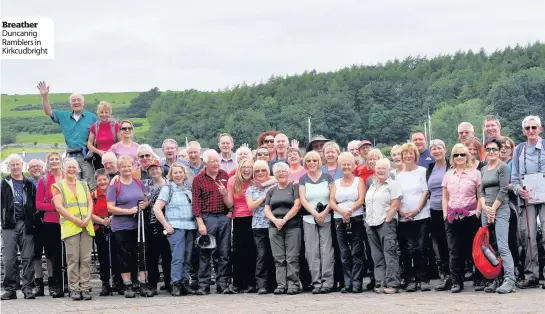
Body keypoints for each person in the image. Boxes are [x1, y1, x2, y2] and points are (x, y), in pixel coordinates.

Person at [106, 156, 153, 298]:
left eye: (129, 166)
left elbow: (146, 200)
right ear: (119, 169)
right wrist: (128, 211)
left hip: (138, 225)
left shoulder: (138, 183)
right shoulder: (114, 186)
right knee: (124, 256)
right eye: (124, 166)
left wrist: (145, 204)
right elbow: (110, 208)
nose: (127, 169)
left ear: (133, 167)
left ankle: (143, 284)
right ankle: (128, 285)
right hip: (121, 226)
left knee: (141, 254)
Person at [192, 149, 236, 295]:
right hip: (207, 218)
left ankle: (222, 284)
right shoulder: (198, 179)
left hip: (223, 217)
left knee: (224, 253)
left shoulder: (224, 175)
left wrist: (229, 213)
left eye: (217, 161)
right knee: (204, 252)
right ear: (205, 163)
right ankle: (203, 285)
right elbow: (196, 204)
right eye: (213, 161)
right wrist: (200, 223)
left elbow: (230, 199)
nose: (216, 163)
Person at [38, 81, 97, 189]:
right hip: (71, 156)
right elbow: (48, 112)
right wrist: (45, 96)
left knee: (90, 184)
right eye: (73, 100)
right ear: (70, 104)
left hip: (86, 156)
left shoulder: (92, 117)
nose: (76, 102)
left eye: (79, 100)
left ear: (83, 103)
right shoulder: (63, 116)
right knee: (71, 184)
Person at [51, 158, 95, 301]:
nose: (71, 169)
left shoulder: (83, 184)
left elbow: (89, 202)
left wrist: (88, 218)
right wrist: (76, 220)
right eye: (69, 167)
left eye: (74, 167)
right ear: (64, 168)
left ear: (78, 169)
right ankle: (75, 289)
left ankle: (85, 287)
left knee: (86, 259)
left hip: (86, 226)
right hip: (71, 228)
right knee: (73, 260)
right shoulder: (58, 186)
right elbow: (59, 207)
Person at [441, 144, 482, 293]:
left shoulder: (475, 174)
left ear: (467, 156)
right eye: (456, 155)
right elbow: (445, 197)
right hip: (452, 217)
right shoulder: (448, 175)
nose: (459, 157)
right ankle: (457, 282)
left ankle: (479, 279)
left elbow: (480, 195)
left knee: (474, 249)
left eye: (462, 154)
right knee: (454, 250)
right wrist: (445, 214)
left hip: (470, 216)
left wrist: (477, 213)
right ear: (452, 157)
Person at [511, 115, 545, 289]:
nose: (531, 131)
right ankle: (531, 274)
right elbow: (514, 178)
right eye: (528, 128)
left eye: (534, 127)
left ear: (540, 129)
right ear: (524, 131)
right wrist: (518, 190)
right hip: (527, 198)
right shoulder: (518, 150)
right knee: (528, 235)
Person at [153, 163, 196, 296]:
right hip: (176, 228)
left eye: (180, 172)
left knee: (187, 257)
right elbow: (157, 208)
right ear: (171, 174)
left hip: (190, 226)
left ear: (185, 174)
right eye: (175, 172)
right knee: (178, 257)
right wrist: (166, 225)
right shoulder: (168, 188)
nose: (178, 175)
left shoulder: (189, 187)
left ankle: (184, 282)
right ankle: (175, 284)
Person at [480, 138, 516, 293]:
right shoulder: (484, 169)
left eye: (494, 149)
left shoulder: (503, 167)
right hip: (486, 209)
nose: (492, 152)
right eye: (488, 149)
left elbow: (503, 190)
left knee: (502, 245)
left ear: (499, 150)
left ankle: (510, 279)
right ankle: (496, 278)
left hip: (500, 208)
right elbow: (481, 191)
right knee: (488, 247)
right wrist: (484, 207)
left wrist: (493, 209)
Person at [1, 154, 38, 300]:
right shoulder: (3, 183)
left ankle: (28, 288)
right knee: (9, 259)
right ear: (9, 167)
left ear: (22, 165)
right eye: (12, 165)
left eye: (17, 164)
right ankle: (10, 289)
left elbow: (35, 204)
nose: (15, 167)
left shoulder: (29, 183)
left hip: (26, 224)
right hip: (9, 225)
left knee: (28, 257)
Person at [396, 143, 431, 292]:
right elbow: (395, 196)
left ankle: (423, 278)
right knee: (407, 249)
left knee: (421, 247)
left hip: (421, 215)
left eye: (411, 153)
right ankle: (410, 279)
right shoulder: (396, 175)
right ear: (402, 156)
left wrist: (417, 209)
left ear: (416, 156)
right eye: (405, 154)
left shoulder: (423, 171)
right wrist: (401, 211)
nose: (408, 156)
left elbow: (425, 192)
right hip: (404, 217)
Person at [329, 152, 366, 293]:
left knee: (356, 250)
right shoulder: (335, 183)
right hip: (339, 218)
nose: (346, 166)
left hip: (356, 217)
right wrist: (341, 211)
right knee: (344, 252)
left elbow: (361, 199)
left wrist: (349, 211)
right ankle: (347, 282)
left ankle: (357, 282)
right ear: (339, 166)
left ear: (353, 165)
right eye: (343, 164)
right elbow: (332, 201)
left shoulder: (359, 181)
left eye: (348, 164)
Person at [299, 151, 334, 294]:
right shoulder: (303, 179)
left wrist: (323, 213)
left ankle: (328, 282)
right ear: (306, 163)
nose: (312, 163)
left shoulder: (328, 177)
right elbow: (303, 199)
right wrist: (315, 214)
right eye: (309, 160)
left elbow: (332, 197)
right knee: (312, 252)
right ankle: (316, 282)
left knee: (326, 251)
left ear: (319, 162)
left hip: (326, 218)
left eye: (315, 160)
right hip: (309, 219)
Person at [365, 158, 402, 294]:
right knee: (376, 255)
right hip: (371, 223)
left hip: (386, 223)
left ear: (388, 170)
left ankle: (393, 283)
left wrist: (388, 218)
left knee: (389, 253)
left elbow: (395, 203)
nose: (380, 170)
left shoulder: (392, 184)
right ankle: (380, 282)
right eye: (378, 167)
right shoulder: (373, 185)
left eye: (383, 168)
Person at [264, 162, 302, 295]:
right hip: (274, 227)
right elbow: (267, 209)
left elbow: (297, 205)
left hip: (292, 226)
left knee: (292, 257)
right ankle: (281, 285)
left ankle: (293, 284)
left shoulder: (294, 188)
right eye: (278, 172)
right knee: (278, 257)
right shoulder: (271, 190)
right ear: (274, 174)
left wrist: (285, 219)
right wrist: (275, 220)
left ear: (288, 172)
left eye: (283, 171)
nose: (281, 174)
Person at [35, 152, 64, 298]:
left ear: (61, 161)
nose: (54, 161)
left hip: (69, 221)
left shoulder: (68, 177)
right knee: (54, 255)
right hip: (51, 222)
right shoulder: (44, 180)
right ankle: (56, 286)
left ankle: (70, 284)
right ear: (48, 162)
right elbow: (39, 204)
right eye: (51, 159)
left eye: (56, 159)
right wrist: (55, 207)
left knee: (68, 255)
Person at [227, 159, 257, 293]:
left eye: (249, 167)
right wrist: (224, 194)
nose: (246, 169)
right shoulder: (233, 181)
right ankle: (238, 282)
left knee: (252, 251)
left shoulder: (256, 180)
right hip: (239, 218)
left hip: (254, 217)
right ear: (239, 168)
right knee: (238, 251)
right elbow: (229, 204)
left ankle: (251, 282)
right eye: (244, 167)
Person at [246, 160, 276, 294]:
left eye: (263, 170)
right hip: (258, 225)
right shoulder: (251, 189)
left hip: (274, 224)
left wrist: (265, 184)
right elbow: (251, 206)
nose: (260, 173)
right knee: (262, 255)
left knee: (275, 255)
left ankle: (275, 283)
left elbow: (288, 177)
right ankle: (261, 284)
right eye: (257, 171)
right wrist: (264, 196)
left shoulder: (274, 184)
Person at [425, 139, 451, 291]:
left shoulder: (451, 165)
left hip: (450, 208)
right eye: (433, 149)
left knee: (452, 243)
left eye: (439, 148)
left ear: (445, 150)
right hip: (434, 210)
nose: (436, 151)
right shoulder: (430, 167)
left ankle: (455, 275)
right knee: (440, 243)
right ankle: (446, 275)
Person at [143, 159, 172, 295]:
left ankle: (169, 283)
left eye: (156, 168)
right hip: (151, 224)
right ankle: (152, 285)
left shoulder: (169, 184)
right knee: (152, 257)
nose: (154, 171)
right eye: (151, 169)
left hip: (167, 223)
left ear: (161, 169)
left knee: (168, 255)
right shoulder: (145, 185)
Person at [90, 169, 115, 296]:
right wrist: (102, 221)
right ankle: (105, 282)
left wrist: (111, 218)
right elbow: (90, 213)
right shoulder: (93, 195)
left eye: (104, 179)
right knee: (103, 255)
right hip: (99, 228)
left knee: (117, 254)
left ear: (108, 179)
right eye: (99, 180)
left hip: (115, 226)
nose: (102, 182)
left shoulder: (114, 191)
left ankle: (118, 281)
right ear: (96, 181)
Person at [27, 158, 47, 296]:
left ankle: (53, 283)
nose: (36, 168)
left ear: (42, 168)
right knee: (36, 255)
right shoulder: (26, 183)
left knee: (51, 254)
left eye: (38, 166)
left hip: (50, 220)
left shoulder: (48, 180)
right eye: (33, 167)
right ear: (29, 170)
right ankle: (39, 285)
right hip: (34, 222)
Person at [87, 101, 120, 170]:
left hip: (114, 157)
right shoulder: (94, 127)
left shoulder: (115, 125)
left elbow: (121, 142)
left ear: (110, 113)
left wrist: (111, 151)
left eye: (106, 112)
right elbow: (89, 145)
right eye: (101, 112)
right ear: (98, 114)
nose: (104, 115)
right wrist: (99, 152)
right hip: (99, 158)